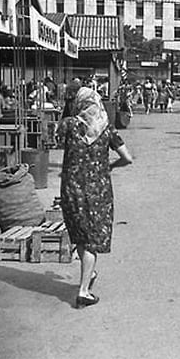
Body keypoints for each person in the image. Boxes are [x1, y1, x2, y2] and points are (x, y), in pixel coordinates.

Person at [56, 80, 133, 309]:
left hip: (71, 189)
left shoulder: (69, 125)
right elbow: (127, 158)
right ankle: (83, 292)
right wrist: (110, 166)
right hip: (97, 191)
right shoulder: (107, 129)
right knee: (91, 240)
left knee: (80, 234)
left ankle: (87, 275)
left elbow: (56, 139)